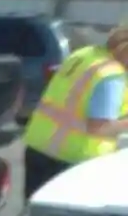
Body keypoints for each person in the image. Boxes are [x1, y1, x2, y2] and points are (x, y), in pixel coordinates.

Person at [23, 23, 128, 197]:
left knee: (33, 213)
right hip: (72, 160)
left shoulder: (85, 55)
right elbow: (99, 127)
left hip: (39, 147)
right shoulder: (111, 77)